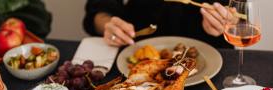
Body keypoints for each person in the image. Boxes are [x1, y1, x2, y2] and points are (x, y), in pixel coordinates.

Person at [84, 0, 232, 48]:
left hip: (210, 50)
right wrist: (108, 25)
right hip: (136, 48)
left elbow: (238, 13)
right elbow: (98, 8)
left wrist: (228, 19)